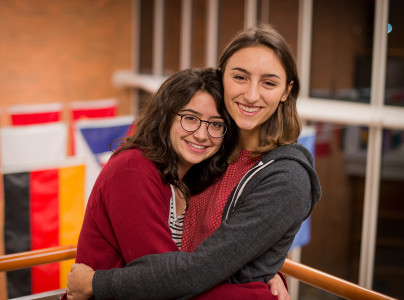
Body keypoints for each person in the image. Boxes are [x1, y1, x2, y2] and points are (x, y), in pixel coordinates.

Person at [67, 23, 321, 300]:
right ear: (222, 78)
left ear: (287, 90)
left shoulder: (285, 175)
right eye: (240, 77)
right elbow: (185, 268)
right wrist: (257, 289)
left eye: (269, 83)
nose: (251, 95)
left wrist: (266, 274)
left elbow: (206, 265)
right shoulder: (212, 154)